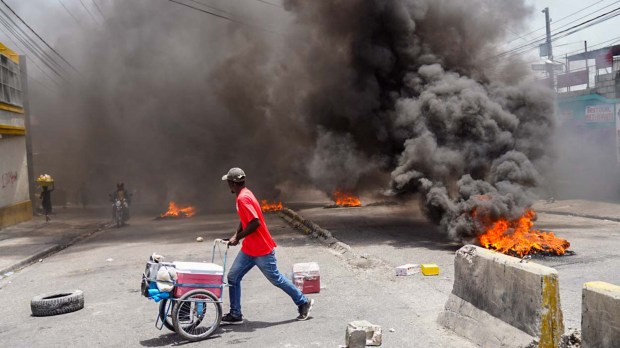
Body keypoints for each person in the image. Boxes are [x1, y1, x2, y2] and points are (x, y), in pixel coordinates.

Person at [221, 167, 314, 324]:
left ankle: (303, 302)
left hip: (261, 249)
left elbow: (255, 222)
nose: (228, 185)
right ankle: (235, 313)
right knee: (233, 277)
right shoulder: (245, 194)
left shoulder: (243, 198)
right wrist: (236, 235)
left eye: (228, 182)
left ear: (232, 183)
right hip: (249, 249)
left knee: (276, 279)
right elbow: (246, 219)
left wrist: (238, 238)